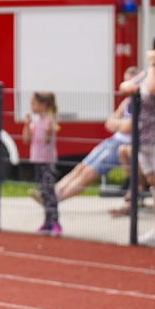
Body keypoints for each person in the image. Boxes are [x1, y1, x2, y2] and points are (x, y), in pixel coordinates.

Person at [28, 67, 139, 207]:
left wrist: (119, 124)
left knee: (89, 173)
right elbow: (110, 123)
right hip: (114, 140)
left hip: (125, 145)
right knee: (81, 167)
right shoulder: (127, 102)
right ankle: (52, 193)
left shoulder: (142, 104)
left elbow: (127, 126)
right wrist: (120, 124)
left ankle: (55, 200)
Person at [120, 32, 155, 247]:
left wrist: (152, 65)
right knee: (154, 182)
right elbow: (127, 85)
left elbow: (153, 88)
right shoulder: (150, 73)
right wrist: (129, 87)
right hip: (145, 137)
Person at [23, 91, 61, 236]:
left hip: (47, 160)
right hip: (37, 159)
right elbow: (26, 139)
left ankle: (55, 221)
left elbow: (47, 140)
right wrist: (26, 125)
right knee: (43, 192)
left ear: (43, 105)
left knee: (49, 191)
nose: (31, 106)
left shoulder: (50, 120)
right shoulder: (35, 121)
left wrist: (48, 131)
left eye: (33, 103)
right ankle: (47, 221)